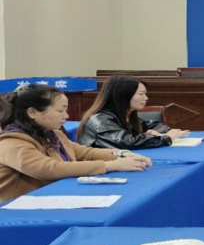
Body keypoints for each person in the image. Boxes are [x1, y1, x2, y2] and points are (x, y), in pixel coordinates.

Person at [0, 85, 151, 202]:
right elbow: (50, 169)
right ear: (32, 112)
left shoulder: (53, 134)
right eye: (60, 111)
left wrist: (121, 154)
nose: (66, 116)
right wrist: (111, 166)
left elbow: (86, 153)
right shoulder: (11, 142)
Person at [77, 76, 189, 149]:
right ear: (123, 96)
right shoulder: (100, 119)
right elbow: (126, 142)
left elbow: (150, 125)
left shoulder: (127, 114)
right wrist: (166, 138)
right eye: (141, 94)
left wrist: (162, 131)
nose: (146, 98)